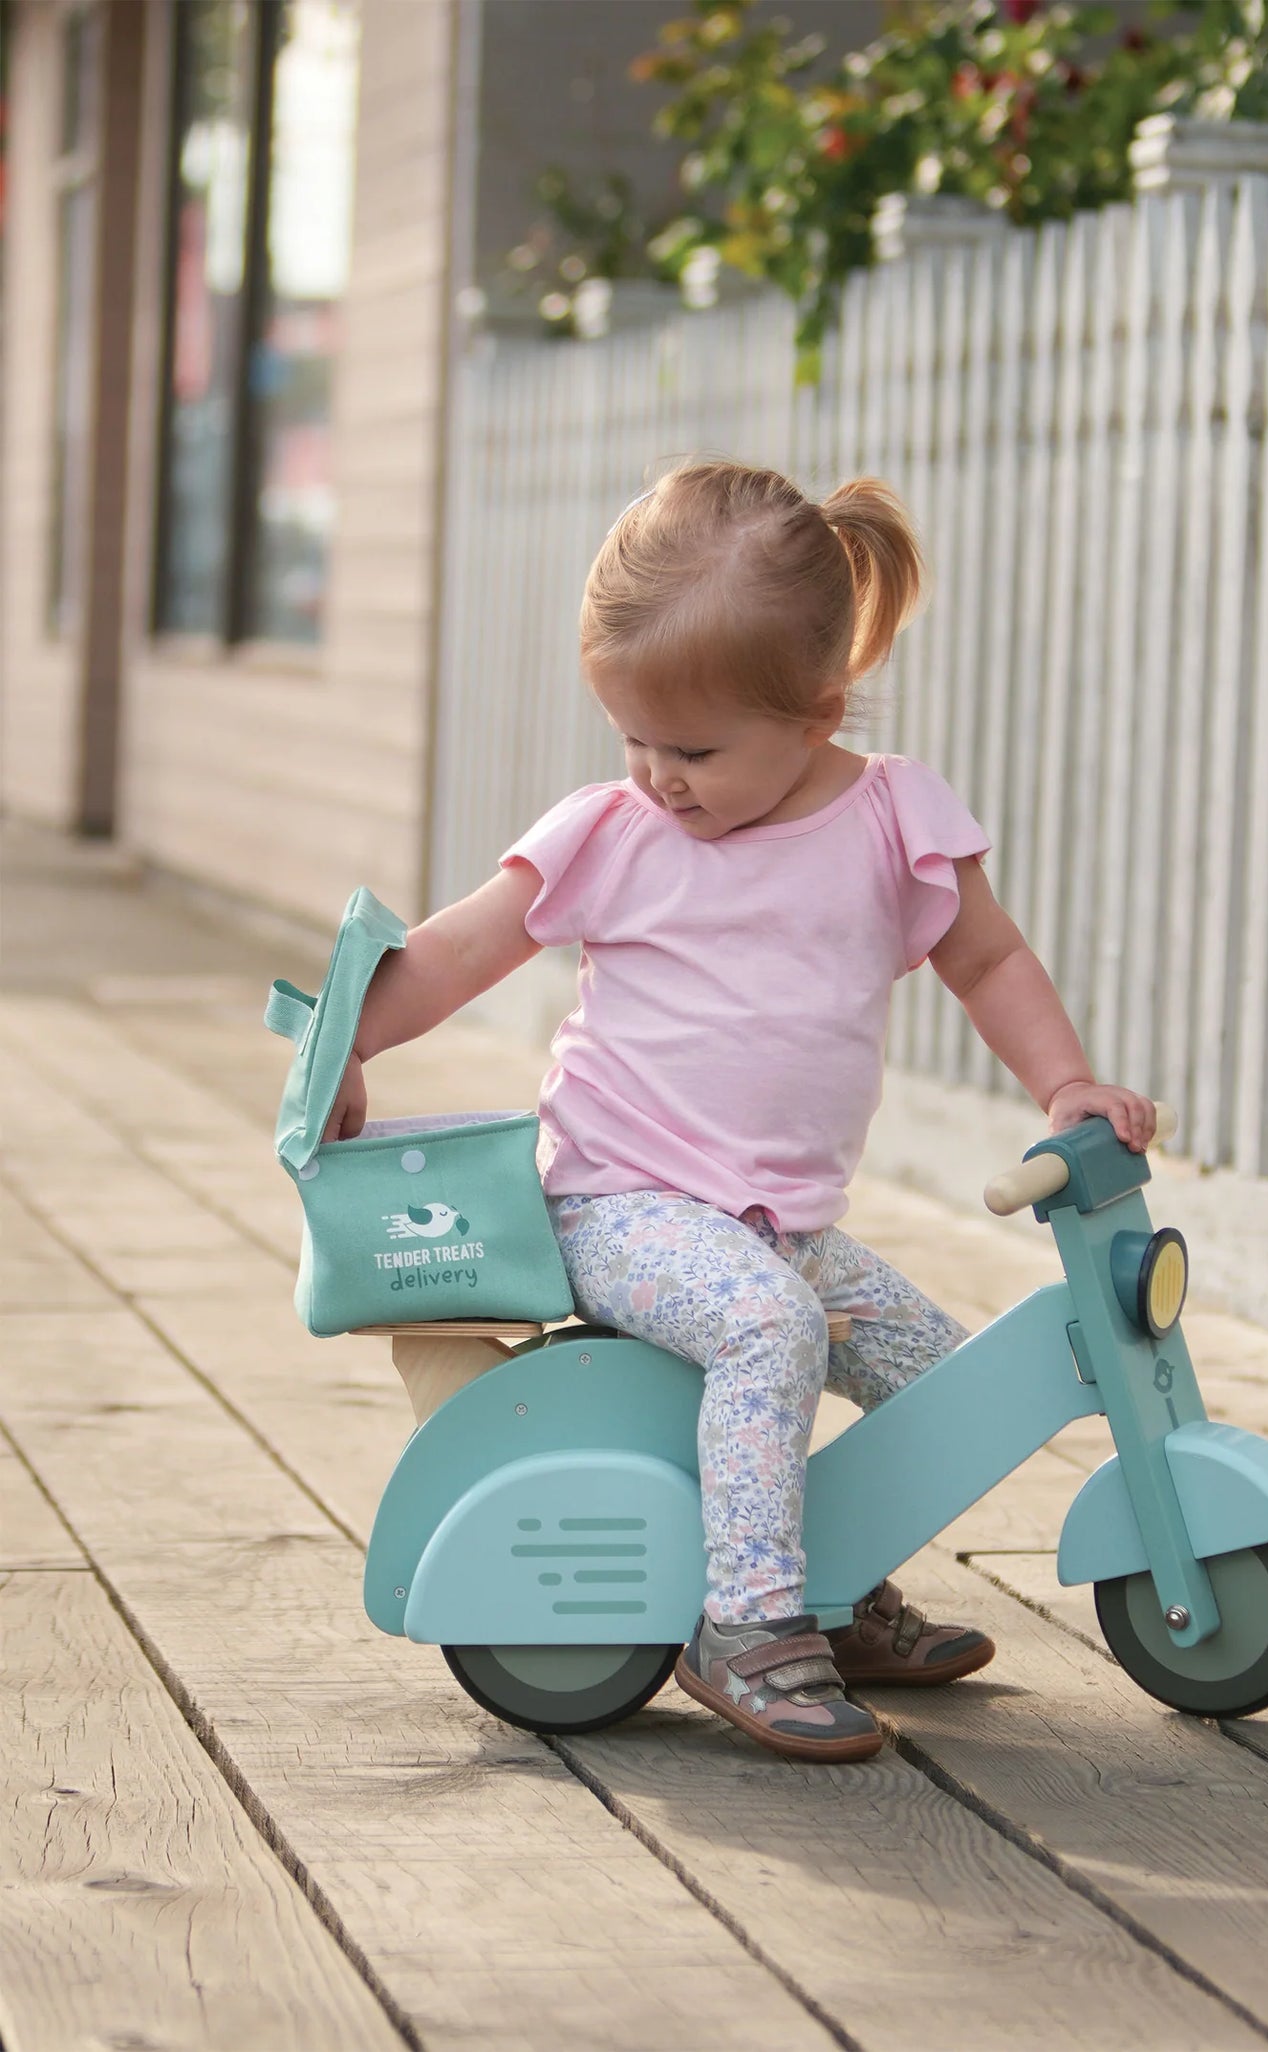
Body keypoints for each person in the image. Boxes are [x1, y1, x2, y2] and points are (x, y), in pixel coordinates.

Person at [325, 460, 1156, 1763]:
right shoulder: (612, 834)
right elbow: (457, 951)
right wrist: (348, 1041)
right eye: (634, 739)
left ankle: (825, 1577)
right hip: (620, 1205)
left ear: (819, 713)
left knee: (951, 1380)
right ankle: (750, 1619)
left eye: (695, 750)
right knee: (771, 1331)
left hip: (782, 1226)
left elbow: (988, 958)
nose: (658, 777)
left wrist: (1065, 1085)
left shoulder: (889, 822)